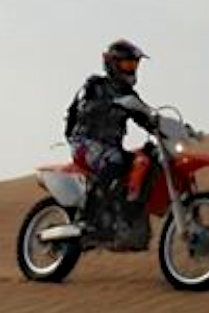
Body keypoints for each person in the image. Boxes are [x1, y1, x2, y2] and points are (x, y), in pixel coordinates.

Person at [65, 38, 160, 235]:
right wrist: (114, 104)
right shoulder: (94, 85)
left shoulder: (129, 94)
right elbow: (85, 108)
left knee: (144, 161)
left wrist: (166, 126)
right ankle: (86, 218)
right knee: (114, 162)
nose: (131, 69)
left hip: (111, 147)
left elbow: (146, 117)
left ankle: (123, 215)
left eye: (133, 64)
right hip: (85, 142)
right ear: (113, 63)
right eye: (126, 63)